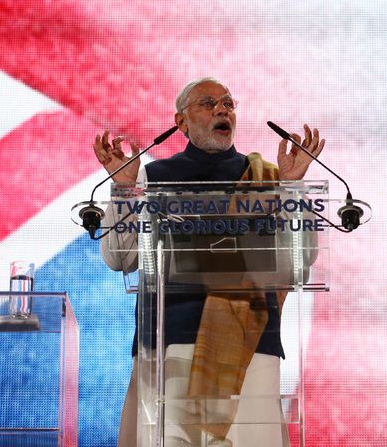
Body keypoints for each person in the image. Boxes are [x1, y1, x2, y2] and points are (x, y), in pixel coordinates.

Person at [94, 77, 324, 447]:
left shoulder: (268, 179)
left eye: (228, 103)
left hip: (251, 346)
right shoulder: (153, 177)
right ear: (180, 122)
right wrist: (123, 188)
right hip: (169, 341)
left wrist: (293, 187)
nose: (222, 109)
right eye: (208, 103)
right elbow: (119, 258)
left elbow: (298, 263)